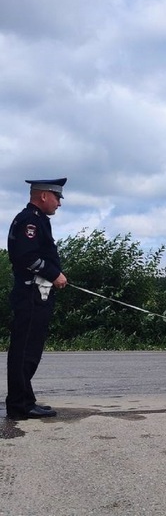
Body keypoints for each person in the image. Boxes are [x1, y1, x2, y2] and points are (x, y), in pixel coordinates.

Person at [5, 178, 68, 419]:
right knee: (25, 350)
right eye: (57, 197)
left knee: (31, 349)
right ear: (43, 196)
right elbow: (25, 256)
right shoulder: (30, 220)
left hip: (37, 294)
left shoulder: (38, 220)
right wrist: (54, 274)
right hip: (30, 294)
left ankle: (24, 400)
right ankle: (19, 405)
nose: (59, 203)